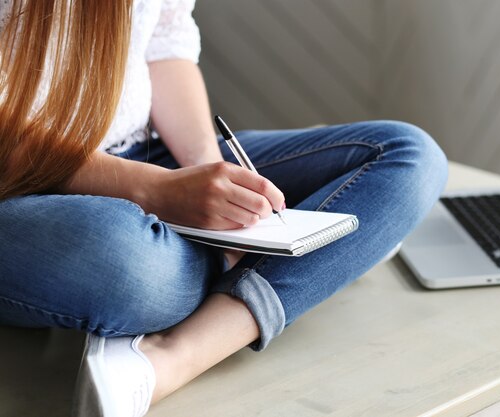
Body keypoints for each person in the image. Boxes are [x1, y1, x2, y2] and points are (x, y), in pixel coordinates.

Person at [0, 1, 448, 416]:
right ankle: (326, 257)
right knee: (132, 266)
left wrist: (206, 172)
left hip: (147, 151)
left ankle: (174, 356)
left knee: (409, 155)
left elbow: (164, 41)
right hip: (19, 184)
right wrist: (156, 190)